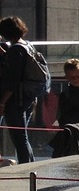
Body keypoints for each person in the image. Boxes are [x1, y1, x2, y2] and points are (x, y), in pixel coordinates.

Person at [0, 17, 39, 163]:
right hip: (28, 97)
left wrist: (3, 102)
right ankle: (30, 166)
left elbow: (13, 79)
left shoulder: (16, 50)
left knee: (19, 138)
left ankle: (26, 168)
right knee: (23, 136)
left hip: (16, 100)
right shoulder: (26, 45)